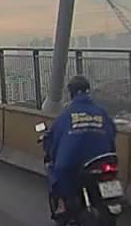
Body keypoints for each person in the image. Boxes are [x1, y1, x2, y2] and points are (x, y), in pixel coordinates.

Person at [43, 75, 117, 217]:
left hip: (76, 160)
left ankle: (63, 205)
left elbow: (54, 138)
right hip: (104, 158)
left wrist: (50, 151)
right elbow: (112, 131)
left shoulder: (66, 114)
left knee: (55, 169)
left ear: (71, 93)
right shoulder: (101, 112)